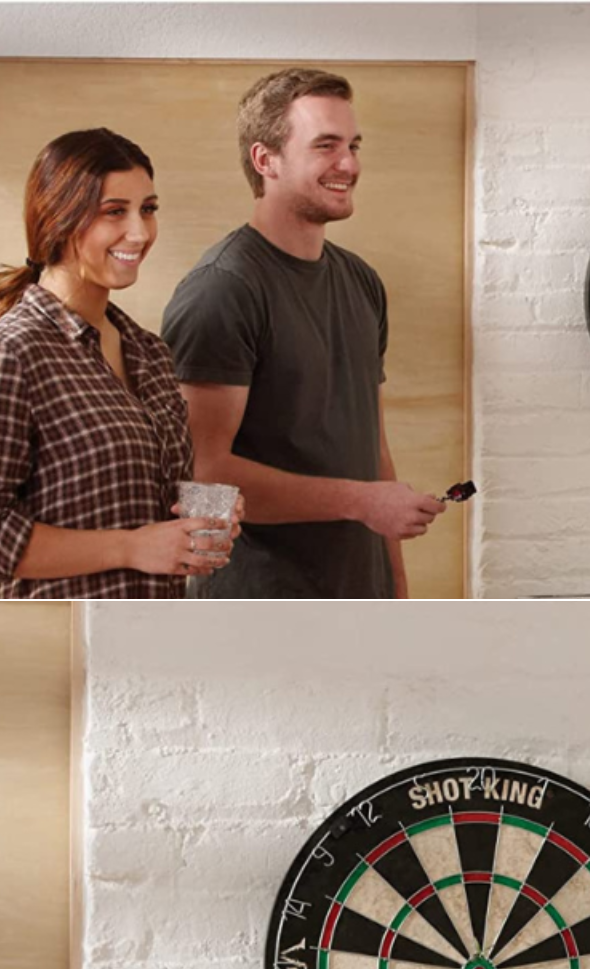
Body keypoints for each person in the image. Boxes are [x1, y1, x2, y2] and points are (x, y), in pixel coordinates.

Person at [162, 68, 445, 599]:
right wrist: (361, 502)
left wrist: (397, 587)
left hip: (361, 595)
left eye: (354, 145)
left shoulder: (361, 281)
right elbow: (203, 471)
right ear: (265, 160)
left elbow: (373, 449)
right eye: (326, 146)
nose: (350, 164)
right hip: (261, 607)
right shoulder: (222, 291)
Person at [0, 128, 239, 599]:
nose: (140, 232)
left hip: (147, 643)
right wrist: (130, 548)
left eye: (148, 209)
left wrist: (193, 517)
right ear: (58, 219)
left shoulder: (149, 352)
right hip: (52, 647)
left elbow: (132, 495)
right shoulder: (10, 356)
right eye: (114, 212)